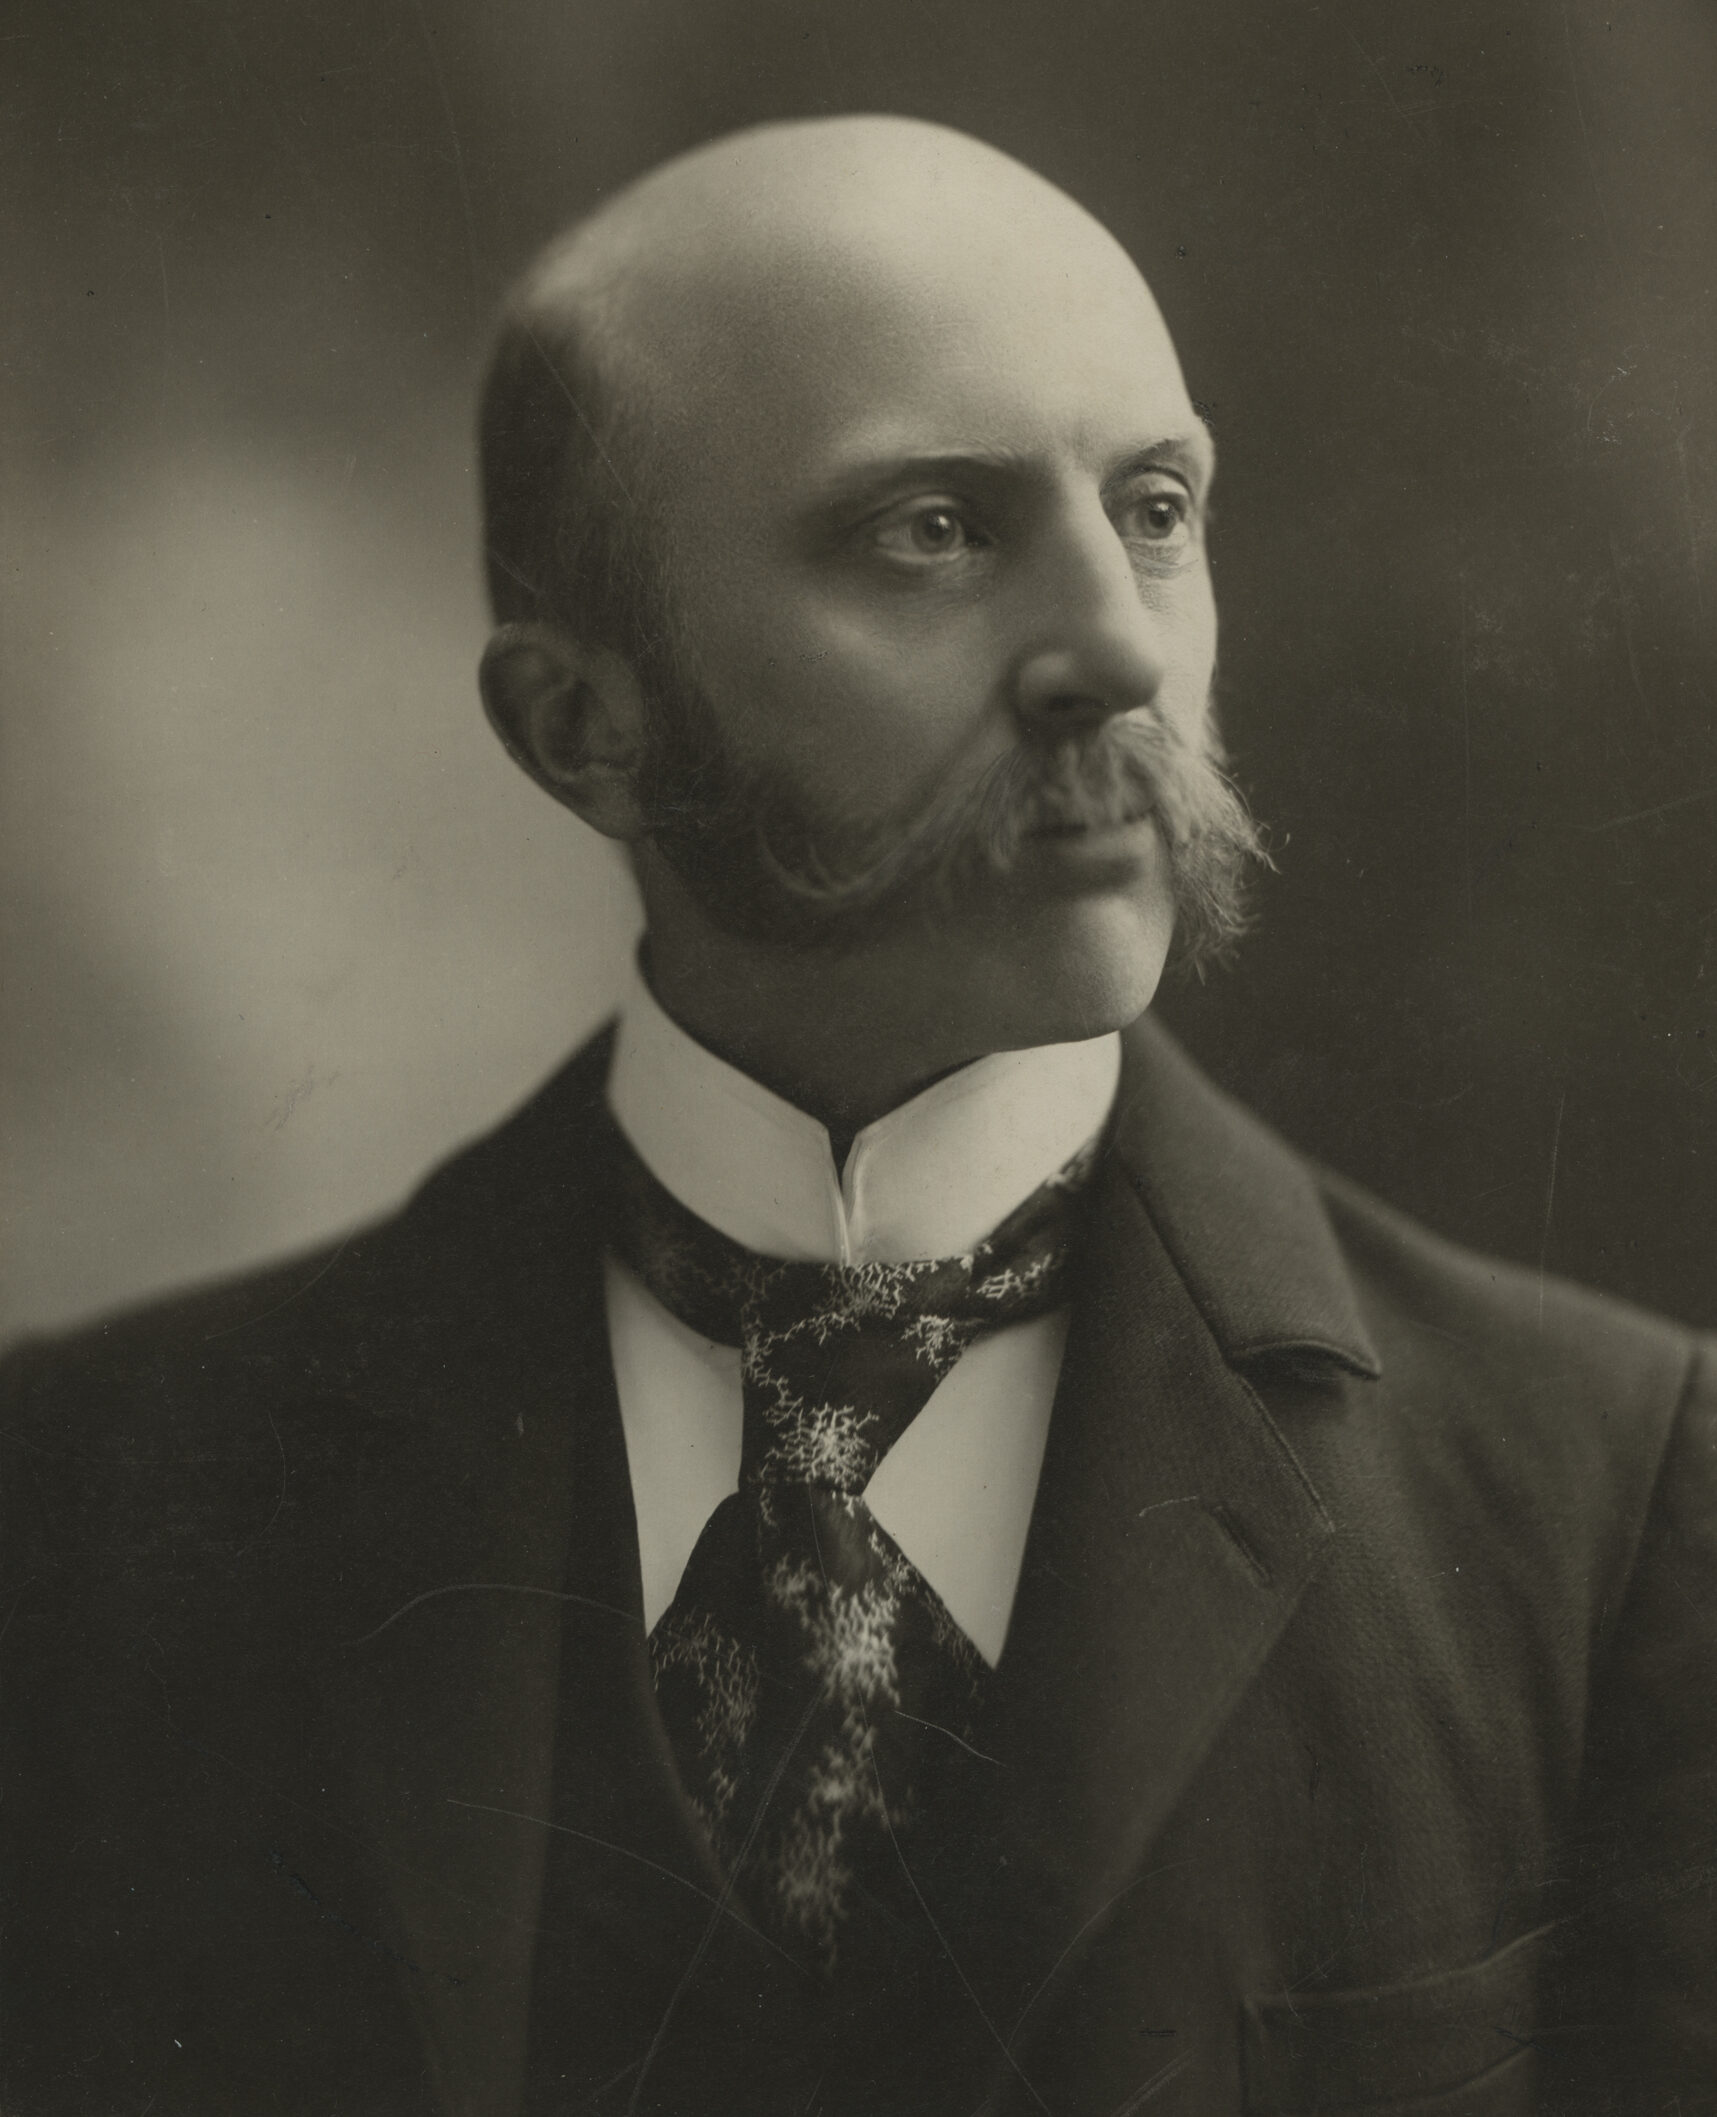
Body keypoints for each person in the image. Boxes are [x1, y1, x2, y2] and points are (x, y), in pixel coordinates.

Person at [2, 114, 1712, 2117]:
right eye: (933, 531)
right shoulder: (86, 1510)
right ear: (580, 725)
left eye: (1154, 509)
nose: (1116, 647)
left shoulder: (1609, 1510)